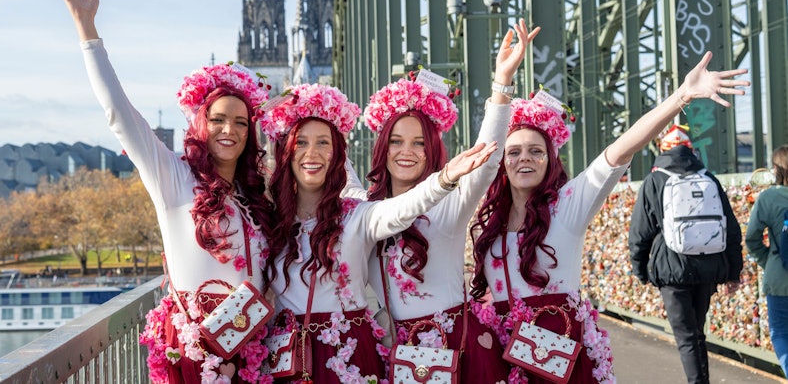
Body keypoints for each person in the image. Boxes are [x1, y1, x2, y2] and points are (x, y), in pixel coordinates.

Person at [468, 51, 749, 384]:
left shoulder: (567, 207)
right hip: (503, 362)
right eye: (513, 152)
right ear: (502, 162)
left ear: (550, 160)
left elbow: (621, 149)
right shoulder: (491, 224)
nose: (524, 158)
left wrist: (682, 96)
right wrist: (501, 83)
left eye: (536, 151)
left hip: (560, 363)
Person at [53, 0, 274, 384]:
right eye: (218, 119)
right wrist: (88, 31)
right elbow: (120, 116)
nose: (229, 130)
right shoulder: (174, 177)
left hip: (251, 351)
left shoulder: (255, 193)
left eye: (241, 122)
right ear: (200, 123)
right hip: (191, 351)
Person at [258, 83, 498, 383]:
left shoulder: (358, 215)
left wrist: (445, 178)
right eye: (301, 142)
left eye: (323, 143)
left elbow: (402, 208)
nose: (312, 152)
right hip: (287, 359)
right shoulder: (270, 221)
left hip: (348, 356)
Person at [344, 20, 538, 382]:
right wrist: (299, 113)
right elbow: (328, 161)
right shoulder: (363, 209)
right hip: (399, 353)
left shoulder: (450, 201)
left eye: (419, 143)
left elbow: (488, 157)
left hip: (460, 351)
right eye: (397, 141)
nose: (407, 151)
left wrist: (502, 84)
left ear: (432, 150)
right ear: (383, 147)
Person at [629, 125, 743, 384]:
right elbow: (731, 228)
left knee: (685, 336)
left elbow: (640, 232)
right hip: (708, 267)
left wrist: (640, 270)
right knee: (697, 332)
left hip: (673, 269)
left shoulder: (655, 180)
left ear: (662, 150)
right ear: (691, 151)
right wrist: (733, 272)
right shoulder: (709, 178)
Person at [745, 144, 788, 378]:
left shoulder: (769, 197)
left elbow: (752, 239)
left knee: (781, 333)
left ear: (777, 169)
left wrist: (770, 262)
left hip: (779, 280)